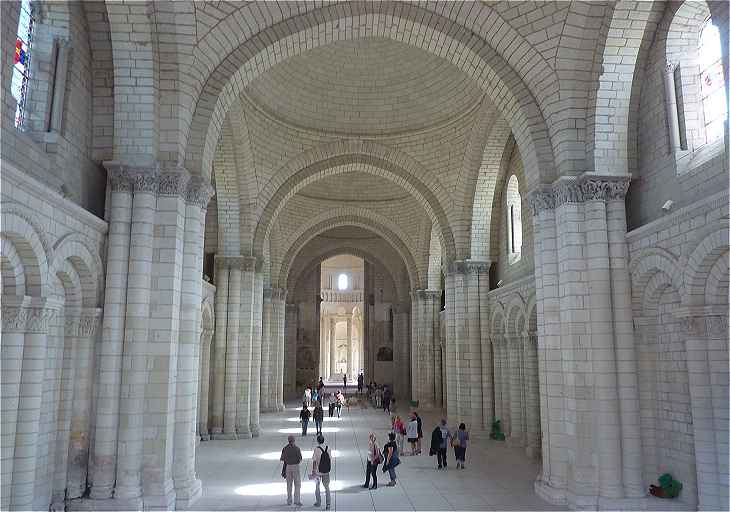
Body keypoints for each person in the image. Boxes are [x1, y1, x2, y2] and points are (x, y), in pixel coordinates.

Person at [280, 435, 303, 506]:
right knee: (297, 484)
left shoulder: (285, 448)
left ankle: (289, 500)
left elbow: (282, 458)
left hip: (288, 467)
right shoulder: (297, 448)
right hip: (295, 466)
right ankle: (297, 500)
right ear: (294, 440)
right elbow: (300, 458)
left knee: (289, 484)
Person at [310, 434, 331, 509]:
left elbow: (314, 461)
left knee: (317, 487)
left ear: (317, 441)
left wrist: (313, 470)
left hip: (318, 472)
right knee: (327, 487)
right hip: (326, 471)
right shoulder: (328, 448)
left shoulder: (316, 449)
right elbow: (329, 459)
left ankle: (318, 502)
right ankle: (328, 504)